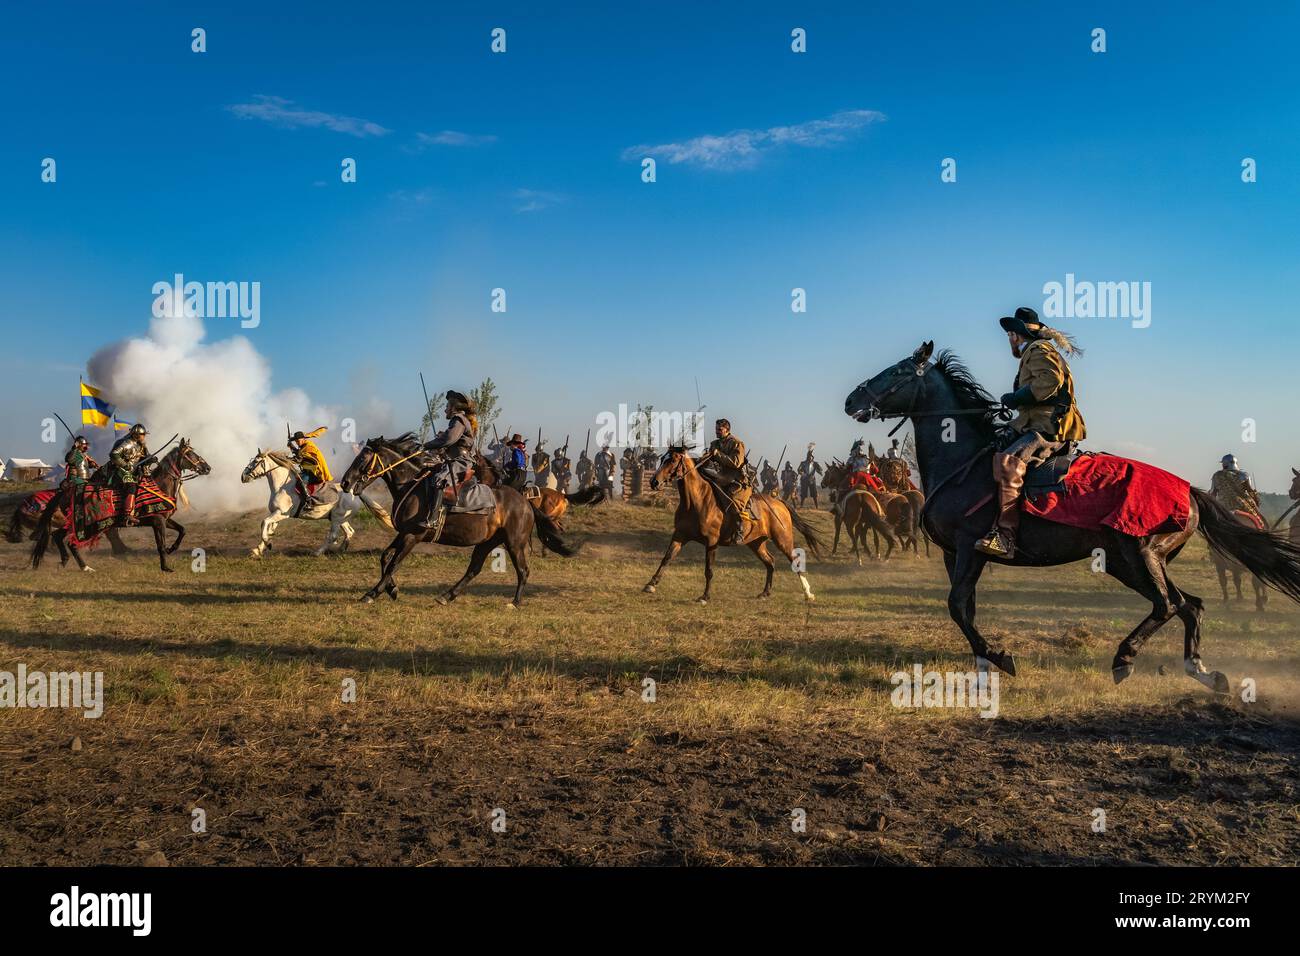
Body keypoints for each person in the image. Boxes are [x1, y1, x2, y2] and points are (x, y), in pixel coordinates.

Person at [975, 306, 1087, 558]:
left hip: (1049, 428)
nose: (1009, 340)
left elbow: (1048, 381)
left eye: (1009, 335)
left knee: (1007, 463)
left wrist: (1017, 397)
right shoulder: (1037, 351)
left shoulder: (1037, 349)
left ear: (1015, 335)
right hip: (1038, 423)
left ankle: (1004, 538)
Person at [414, 391, 479, 533]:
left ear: (453, 408)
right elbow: (449, 441)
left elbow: (449, 439)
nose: (445, 409)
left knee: (439, 479)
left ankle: (433, 519)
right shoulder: (459, 420)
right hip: (454, 458)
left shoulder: (459, 419)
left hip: (460, 461)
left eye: (447, 406)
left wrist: (427, 445)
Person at [696, 418, 753, 545]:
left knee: (733, 500)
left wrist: (717, 454)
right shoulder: (714, 443)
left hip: (736, 480)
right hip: (719, 477)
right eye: (716, 429)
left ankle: (739, 529)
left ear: (727, 429)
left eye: (719, 429)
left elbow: (736, 463)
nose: (717, 431)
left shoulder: (736, 443)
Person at [109, 423, 153, 525]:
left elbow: (145, 457)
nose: (144, 436)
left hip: (135, 472)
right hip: (120, 470)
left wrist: (151, 459)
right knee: (131, 486)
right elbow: (114, 454)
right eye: (142, 434)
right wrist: (125, 465)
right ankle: (127, 514)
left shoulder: (141, 445)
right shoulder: (127, 443)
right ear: (137, 435)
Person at [288, 426, 331, 517]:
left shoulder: (309, 446)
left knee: (300, 483)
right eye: (295, 441)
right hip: (308, 470)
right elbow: (299, 454)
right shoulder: (303, 446)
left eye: (298, 440)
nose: (297, 442)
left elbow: (299, 458)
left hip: (315, 472)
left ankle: (308, 502)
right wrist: (292, 447)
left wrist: (290, 452)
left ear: (303, 439)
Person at [1210, 454, 1262, 525]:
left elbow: (1213, 494)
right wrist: (1256, 500)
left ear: (1224, 464)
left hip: (1223, 506)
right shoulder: (1244, 475)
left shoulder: (1217, 476)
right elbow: (1250, 491)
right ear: (1235, 463)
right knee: (1258, 517)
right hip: (1242, 505)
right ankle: (1263, 529)